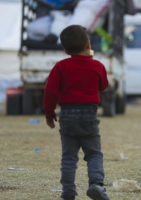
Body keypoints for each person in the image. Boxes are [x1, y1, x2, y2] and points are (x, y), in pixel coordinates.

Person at [43, 25, 110, 200]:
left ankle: (68, 193)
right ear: (88, 44)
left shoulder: (61, 66)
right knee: (94, 153)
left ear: (65, 49)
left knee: (69, 158)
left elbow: (50, 91)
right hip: (89, 113)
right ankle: (96, 184)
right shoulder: (97, 65)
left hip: (67, 114)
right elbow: (103, 86)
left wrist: (49, 114)